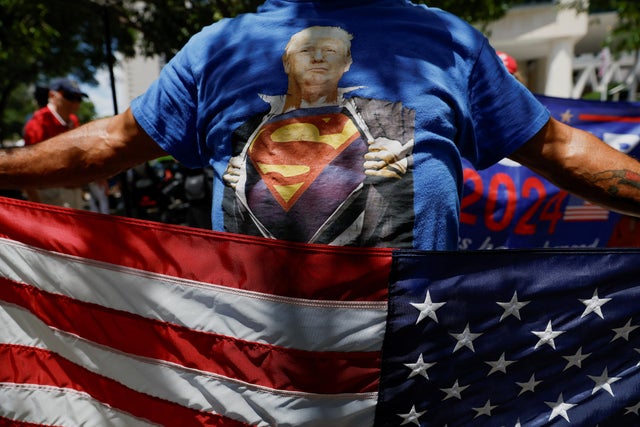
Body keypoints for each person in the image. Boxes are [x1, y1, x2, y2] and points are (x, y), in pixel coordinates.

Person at [2, 0, 640, 252]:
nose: (319, 62)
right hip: (256, 359)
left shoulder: (446, 41)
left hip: (411, 353)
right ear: (286, 61)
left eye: (332, 54)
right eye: (308, 53)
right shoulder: (216, 49)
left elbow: (556, 146)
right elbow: (111, 143)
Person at [22, 77, 88, 209]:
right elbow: (27, 166)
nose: (76, 103)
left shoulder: (73, 121)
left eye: (79, 98)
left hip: (74, 192)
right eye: (70, 96)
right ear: (53, 95)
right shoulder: (39, 122)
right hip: (50, 195)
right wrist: (36, 203)